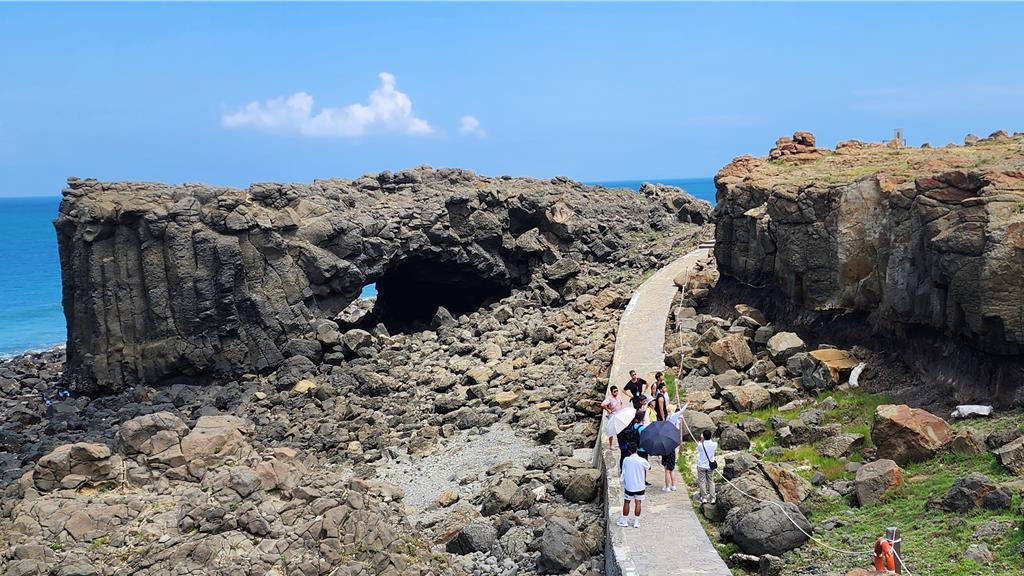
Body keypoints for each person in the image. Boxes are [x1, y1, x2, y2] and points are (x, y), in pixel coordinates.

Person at [617, 443, 650, 528]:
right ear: (637, 449)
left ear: (628, 450)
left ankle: (624, 521)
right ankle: (636, 522)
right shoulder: (642, 460)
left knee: (627, 502)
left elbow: (623, 470)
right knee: (638, 502)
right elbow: (648, 467)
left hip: (629, 486)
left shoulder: (626, 460)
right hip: (640, 486)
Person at [696, 429, 717, 504]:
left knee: (702, 482)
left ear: (703, 436)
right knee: (711, 482)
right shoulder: (715, 444)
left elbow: (698, 449)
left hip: (701, 465)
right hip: (710, 466)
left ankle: (704, 498)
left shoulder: (700, 444)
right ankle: (713, 498)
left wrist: (701, 439)